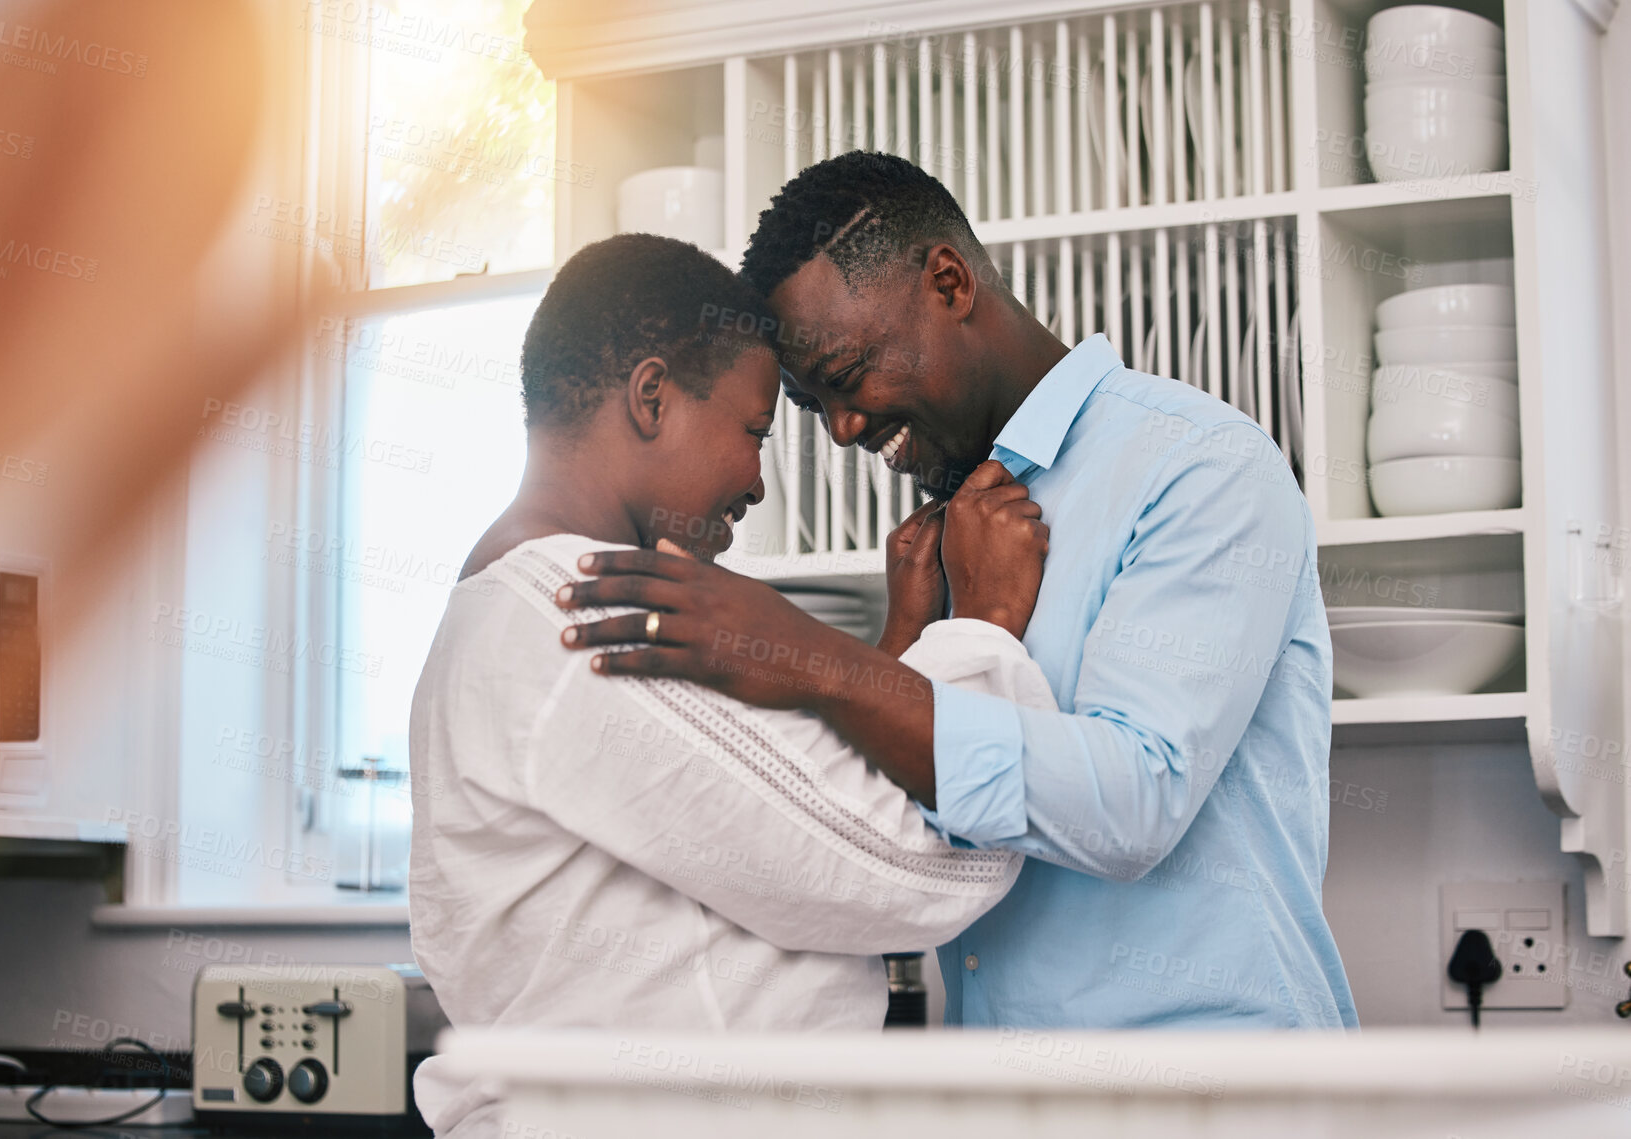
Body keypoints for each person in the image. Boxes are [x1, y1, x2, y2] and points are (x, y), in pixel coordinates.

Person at [561, 153, 1358, 1030]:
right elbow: (895, 828)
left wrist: (807, 655)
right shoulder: (943, 539)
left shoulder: (1199, 466)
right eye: (810, 400)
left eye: (849, 370)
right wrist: (904, 639)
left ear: (948, 282)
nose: (843, 428)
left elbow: (1138, 799)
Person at [409, 233, 1056, 1137]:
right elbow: (922, 865)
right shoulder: (585, 615)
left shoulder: (520, 606)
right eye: (754, 432)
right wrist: (980, 626)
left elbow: (774, 829)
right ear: (651, 396)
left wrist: (898, 650)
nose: (755, 481)